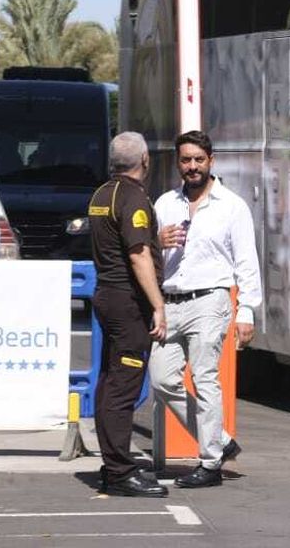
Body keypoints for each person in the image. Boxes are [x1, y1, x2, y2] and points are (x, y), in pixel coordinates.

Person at [149, 130, 263, 489]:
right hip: (171, 301)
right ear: (177, 163)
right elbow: (146, 256)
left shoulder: (232, 206)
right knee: (161, 378)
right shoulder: (165, 204)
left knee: (205, 378)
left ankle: (210, 462)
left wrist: (246, 311)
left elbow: (247, 262)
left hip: (210, 300)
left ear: (211, 161)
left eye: (199, 159)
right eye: (186, 160)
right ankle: (220, 439)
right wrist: (157, 241)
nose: (193, 166)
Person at [88, 131, 168, 498]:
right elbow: (137, 255)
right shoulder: (133, 197)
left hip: (107, 295)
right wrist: (158, 305)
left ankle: (113, 466)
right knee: (123, 387)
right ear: (145, 160)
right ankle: (120, 472)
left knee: (110, 382)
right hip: (128, 302)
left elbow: (121, 242)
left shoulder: (102, 194)